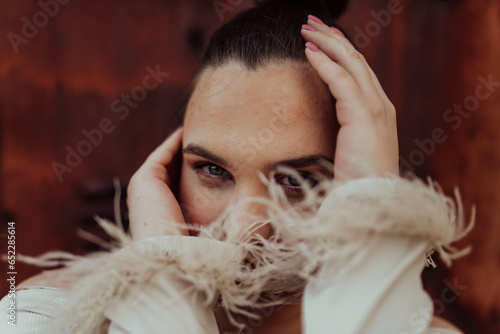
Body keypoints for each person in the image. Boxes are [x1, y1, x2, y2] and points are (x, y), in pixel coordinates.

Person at [0, 1, 471, 333]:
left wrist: (372, 220)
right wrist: (161, 271)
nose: (246, 229)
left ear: (356, 189)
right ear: (165, 173)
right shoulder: (49, 317)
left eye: (297, 181)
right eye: (213, 171)